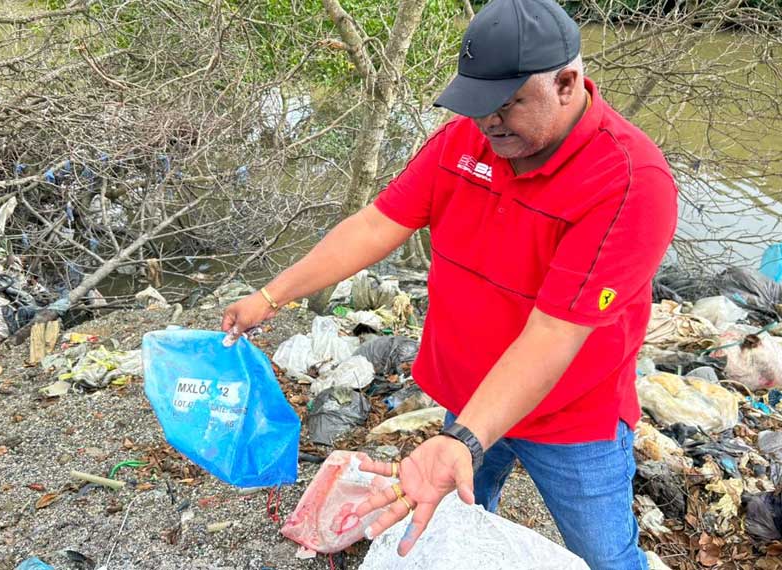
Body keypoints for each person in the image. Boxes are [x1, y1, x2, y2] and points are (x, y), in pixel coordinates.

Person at [222, 0, 677, 567]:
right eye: (478, 105)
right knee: (460, 518)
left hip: (572, 417)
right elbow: (376, 226)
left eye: (506, 105)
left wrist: (462, 439)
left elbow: (554, 334)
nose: (488, 123)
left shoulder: (630, 181)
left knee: (605, 557)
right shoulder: (463, 142)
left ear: (565, 83)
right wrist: (272, 295)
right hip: (469, 395)